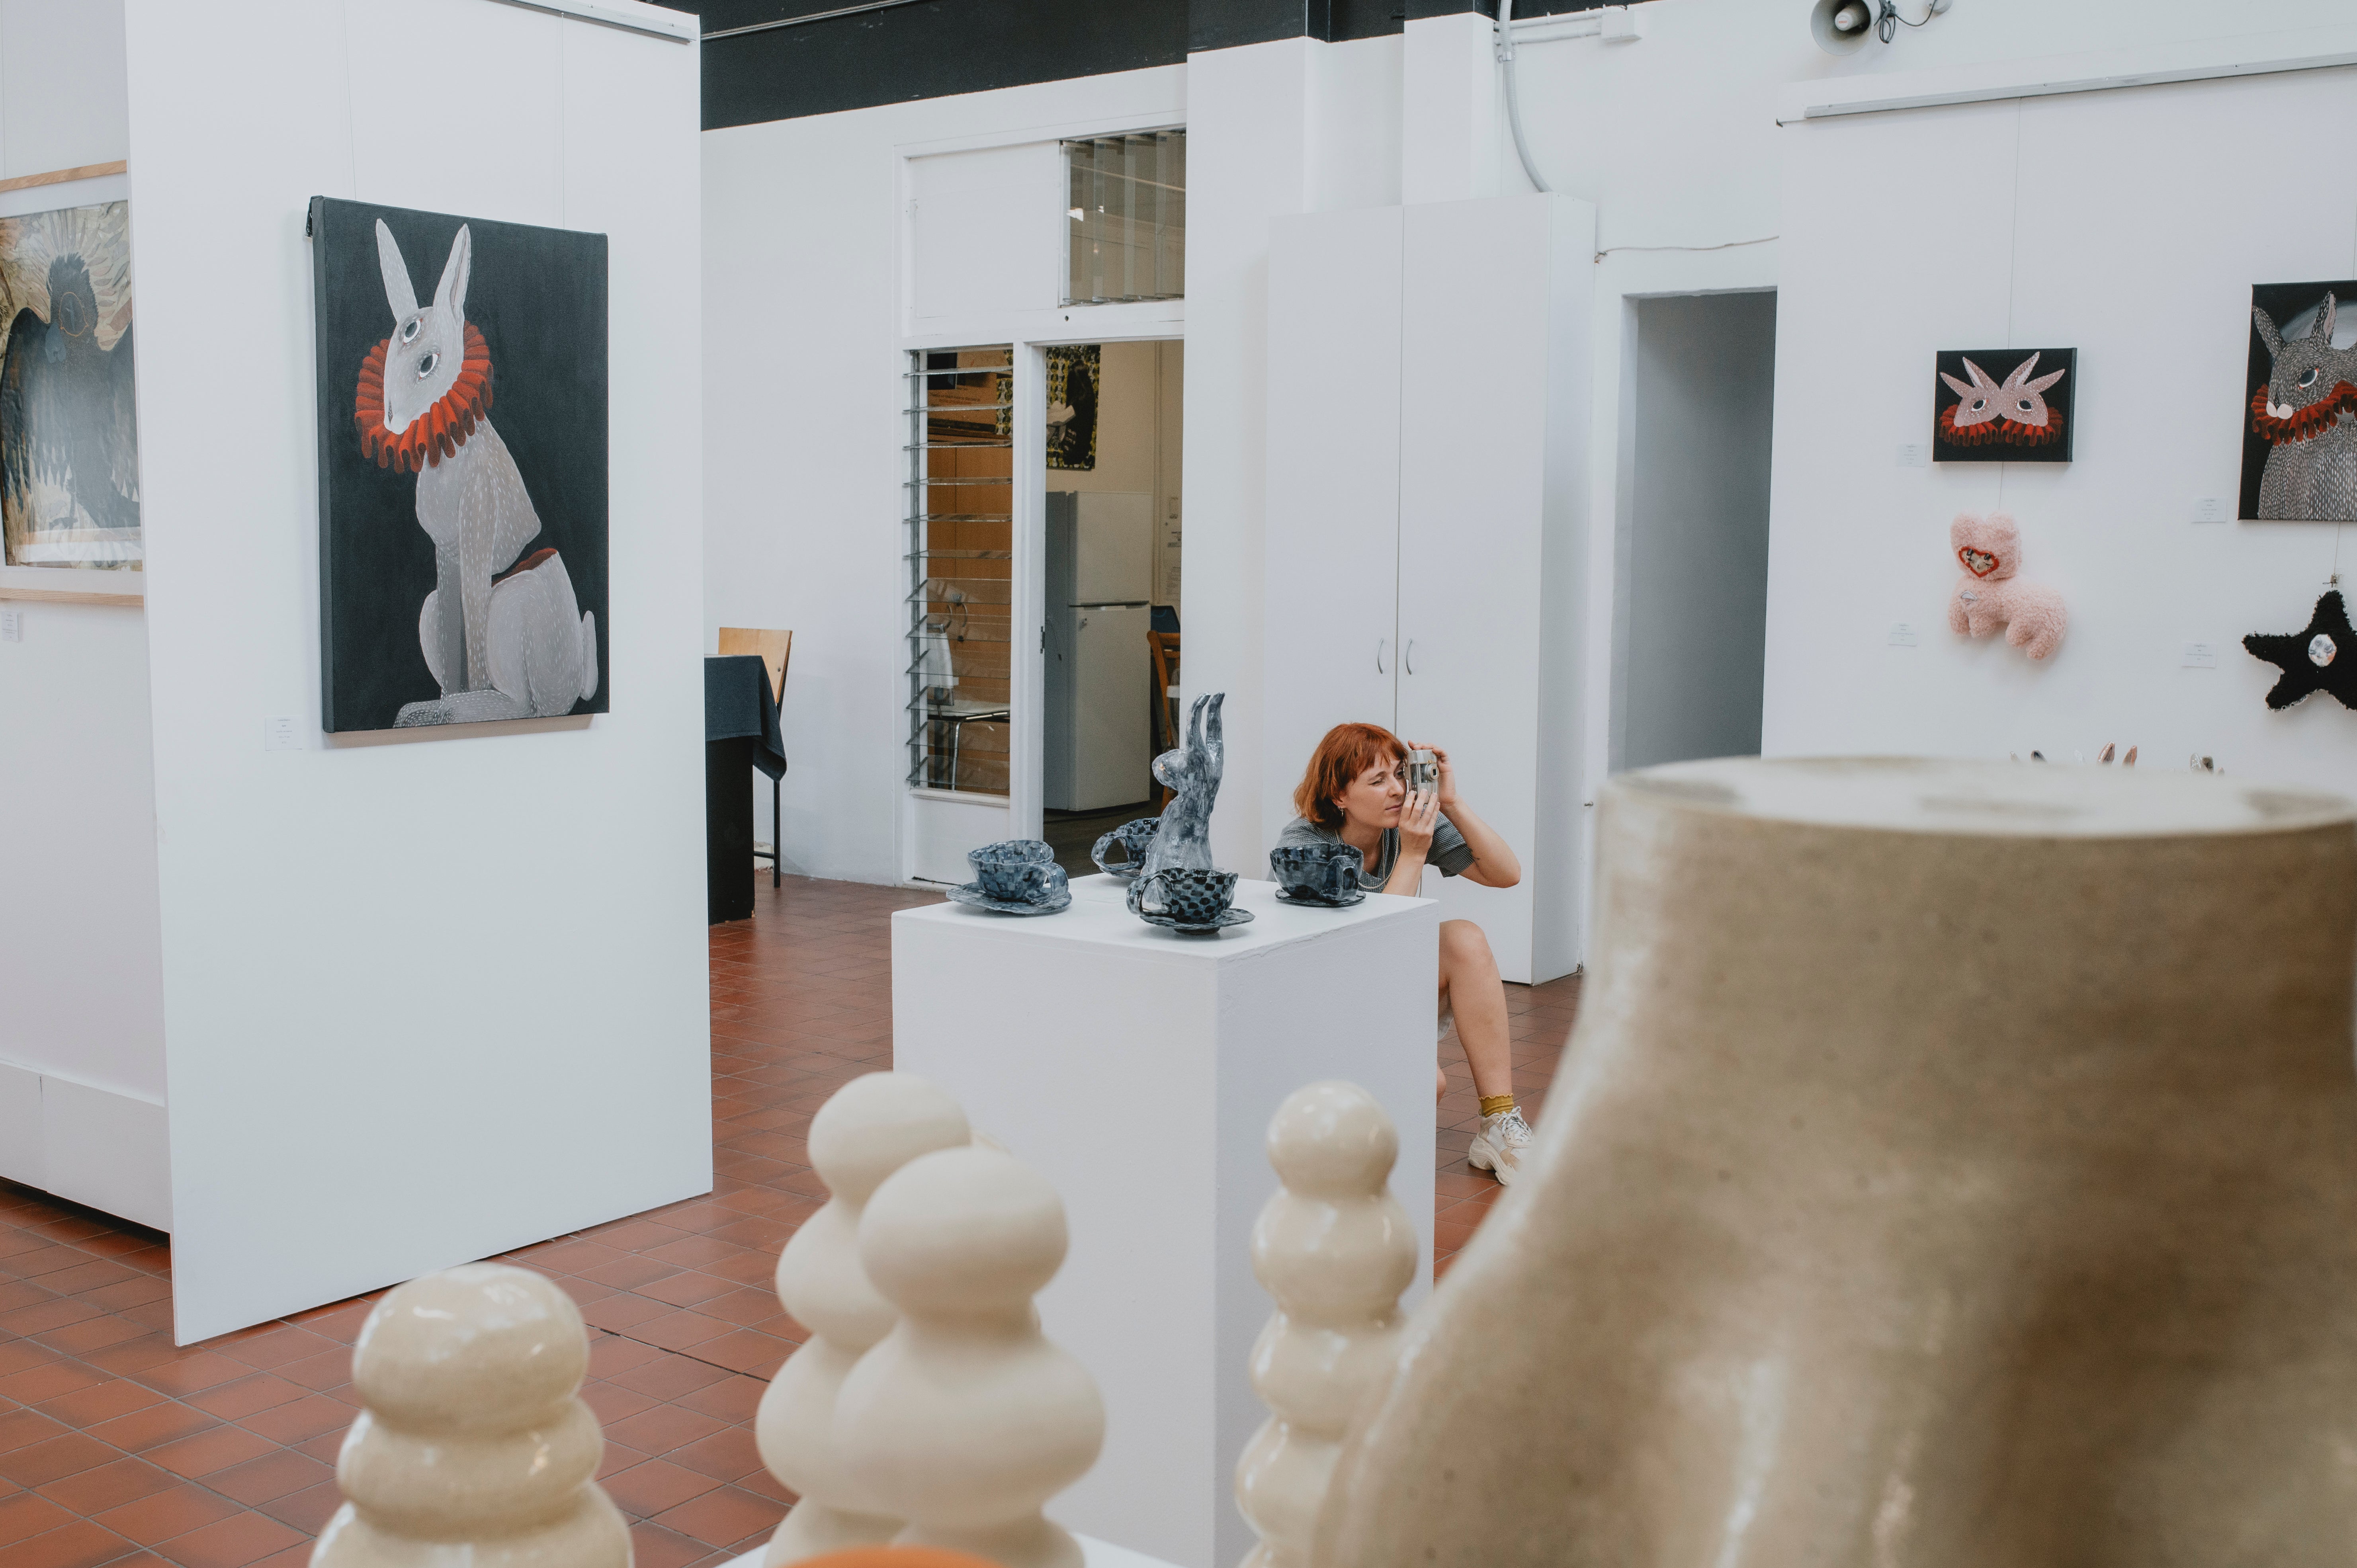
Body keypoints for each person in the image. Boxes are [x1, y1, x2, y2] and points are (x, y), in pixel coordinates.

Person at [1278, 723, 1534, 1183]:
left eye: (1400, 774)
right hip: (1330, 1000)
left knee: (1464, 939)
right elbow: (1371, 948)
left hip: (1389, 982)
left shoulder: (1406, 822)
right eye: (1377, 781)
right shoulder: (1304, 845)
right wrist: (1414, 855)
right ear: (1339, 795)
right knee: (1427, 1085)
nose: (1397, 790)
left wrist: (1453, 804)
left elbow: (1506, 874)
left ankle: (1497, 1122)